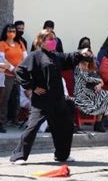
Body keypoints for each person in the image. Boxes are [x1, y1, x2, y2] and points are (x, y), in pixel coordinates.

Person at [10, 29, 92, 165]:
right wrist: (32, 86)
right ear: (41, 41)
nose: (53, 41)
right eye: (50, 39)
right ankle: (18, 156)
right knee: (32, 127)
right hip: (42, 101)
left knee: (65, 126)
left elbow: (70, 57)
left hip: (58, 100)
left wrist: (82, 53)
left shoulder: (56, 56)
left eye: (54, 39)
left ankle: (62, 155)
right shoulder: (35, 56)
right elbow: (20, 71)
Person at [74, 56, 108, 132]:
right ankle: (100, 122)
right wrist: (99, 82)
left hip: (94, 91)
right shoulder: (79, 70)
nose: (86, 65)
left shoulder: (93, 70)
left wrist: (100, 84)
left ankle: (100, 121)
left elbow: (101, 81)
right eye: (84, 64)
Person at [0, 24, 27, 126]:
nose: (11, 33)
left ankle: (14, 118)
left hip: (18, 75)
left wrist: (19, 69)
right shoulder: (2, 44)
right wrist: (12, 69)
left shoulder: (20, 43)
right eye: (9, 31)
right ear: (5, 32)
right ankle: (2, 120)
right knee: (5, 97)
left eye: (13, 31)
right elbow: (2, 59)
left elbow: (25, 57)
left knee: (16, 97)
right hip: (6, 75)